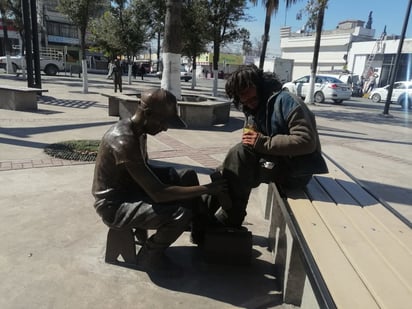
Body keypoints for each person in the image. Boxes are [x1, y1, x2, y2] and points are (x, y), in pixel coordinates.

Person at [91, 89, 227, 277]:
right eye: (163, 122)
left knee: (186, 174)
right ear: (147, 114)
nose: (165, 128)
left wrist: (185, 183)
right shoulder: (124, 142)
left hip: (131, 187)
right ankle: (150, 255)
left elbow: (143, 169)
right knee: (180, 213)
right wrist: (207, 189)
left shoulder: (139, 130)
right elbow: (159, 193)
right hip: (114, 204)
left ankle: (201, 229)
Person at [214, 64, 327, 227]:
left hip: (295, 172)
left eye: (253, 99)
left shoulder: (286, 101)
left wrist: (262, 142)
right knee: (225, 170)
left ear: (261, 86)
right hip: (275, 163)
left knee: (240, 158)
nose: (250, 104)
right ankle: (202, 214)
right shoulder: (253, 108)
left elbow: (307, 142)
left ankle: (230, 218)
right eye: (244, 101)